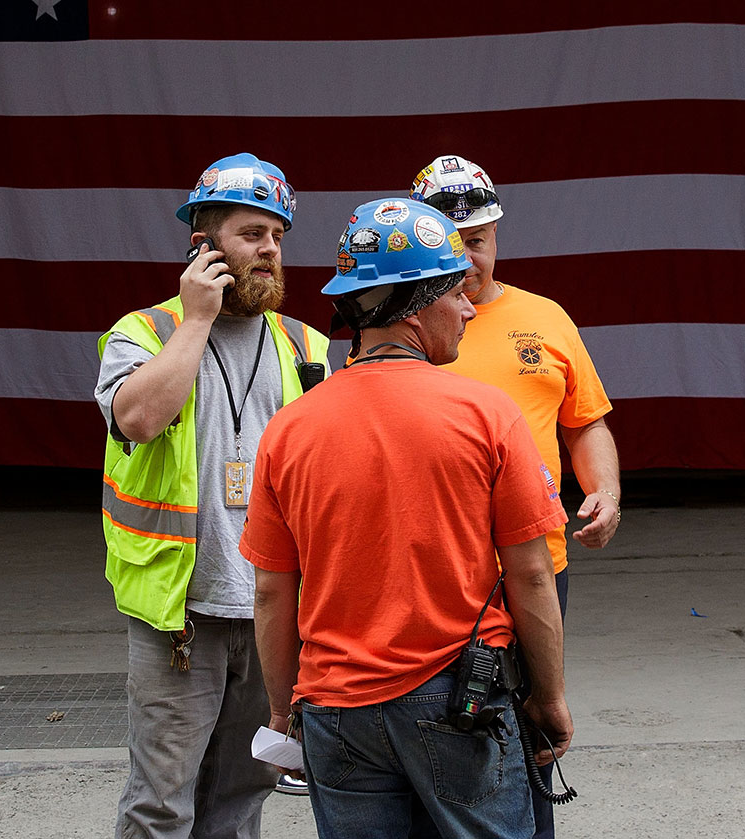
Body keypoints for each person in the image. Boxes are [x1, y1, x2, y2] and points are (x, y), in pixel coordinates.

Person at [242, 198, 574, 838]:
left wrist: (283, 713)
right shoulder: (487, 415)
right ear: (417, 305)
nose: (469, 310)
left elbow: (271, 591)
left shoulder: (287, 431)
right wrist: (550, 697)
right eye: (457, 293)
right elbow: (533, 575)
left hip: (335, 710)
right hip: (459, 699)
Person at [95, 152, 328, 839]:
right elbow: (138, 418)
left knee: (241, 798)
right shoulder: (145, 333)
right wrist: (197, 320)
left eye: (278, 236)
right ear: (204, 245)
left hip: (273, 613)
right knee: (161, 805)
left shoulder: (306, 346)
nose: (270, 250)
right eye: (252, 234)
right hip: (181, 615)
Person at [410, 155, 617, 837]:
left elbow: (585, 422)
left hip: (537, 565)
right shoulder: (408, 327)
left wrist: (606, 490)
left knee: (532, 734)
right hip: (438, 571)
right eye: (450, 242)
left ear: (497, 234)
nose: (467, 258)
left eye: (477, 240)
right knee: (440, 737)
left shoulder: (546, 318)